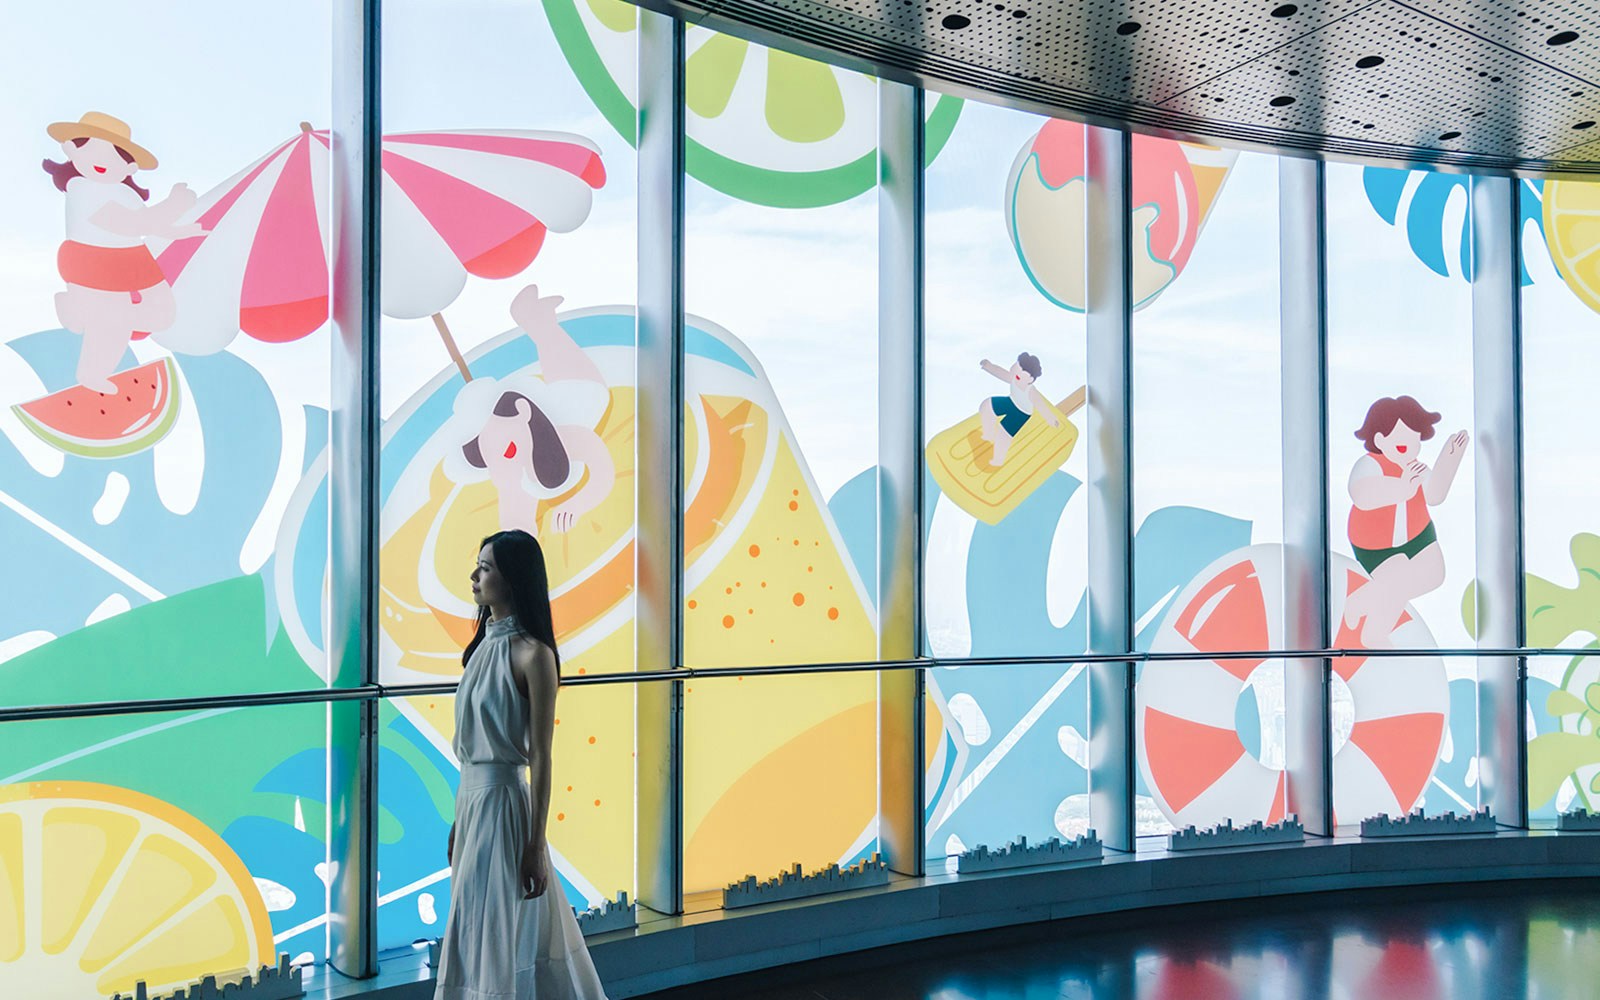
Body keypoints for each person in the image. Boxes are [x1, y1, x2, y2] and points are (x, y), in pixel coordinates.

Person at [434, 529, 609, 1000]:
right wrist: (458, 818)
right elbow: (474, 748)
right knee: (477, 930)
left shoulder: (535, 655)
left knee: (497, 932)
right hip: (474, 809)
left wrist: (536, 844)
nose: (475, 576)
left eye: (486, 567)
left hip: (503, 811)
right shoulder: (479, 650)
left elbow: (541, 756)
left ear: (512, 580)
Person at [42, 112, 203, 392]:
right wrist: (175, 205)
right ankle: (91, 369)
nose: (105, 160)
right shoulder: (83, 189)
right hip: (95, 262)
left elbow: (144, 226)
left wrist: (181, 232)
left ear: (129, 166)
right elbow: (132, 223)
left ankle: (80, 311)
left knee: (161, 315)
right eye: (88, 146)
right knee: (113, 323)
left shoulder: (123, 194)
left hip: (131, 260)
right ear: (70, 148)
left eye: (116, 154)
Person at [1342, 396, 1469, 648]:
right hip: (1377, 544)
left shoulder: (1416, 467)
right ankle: (1373, 633)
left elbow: (1435, 495)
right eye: (1399, 435)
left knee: (1433, 574)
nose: (1408, 442)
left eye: (1414, 436)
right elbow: (1362, 496)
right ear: (1379, 438)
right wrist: (1402, 488)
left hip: (1418, 534)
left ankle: (1363, 601)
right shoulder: (1369, 464)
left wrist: (1449, 460)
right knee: (1396, 576)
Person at [977, 352, 1059, 467]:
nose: (1016, 371)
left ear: (1030, 379)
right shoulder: (1014, 378)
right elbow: (1000, 373)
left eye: (1021, 371)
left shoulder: (1031, 391)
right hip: (1011, 402)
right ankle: (988, 434)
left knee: (1003, 433)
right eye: (1016, 367)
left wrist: (1051, 419)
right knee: (987, 405)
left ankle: (998, 460)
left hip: (1021, 413)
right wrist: (988, 366)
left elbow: (1040, 405)